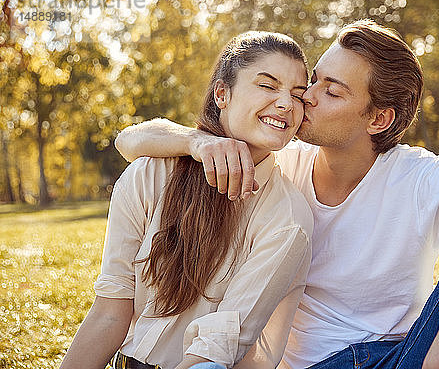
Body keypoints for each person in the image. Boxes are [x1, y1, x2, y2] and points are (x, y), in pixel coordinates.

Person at [115, 20, 439, 369]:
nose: (304, 99)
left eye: (329, 91)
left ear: (378, 119)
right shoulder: (278, 155)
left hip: (398, 356)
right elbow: (132, 139)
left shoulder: (419, 176)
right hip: (308, 364)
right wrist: (196, 142)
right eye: (313, 81)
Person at [60, 31, 315, 369]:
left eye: (297, 95)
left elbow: (214, 350)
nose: (286, 103)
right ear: (222, 93)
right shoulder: (149, 175)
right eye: (268, 86)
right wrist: (196, 142)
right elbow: (110, 313)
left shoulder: (288, 219)